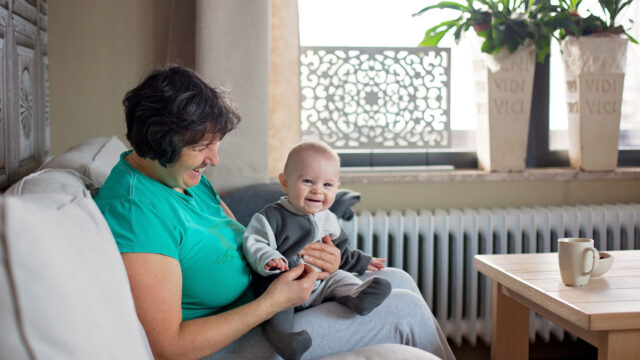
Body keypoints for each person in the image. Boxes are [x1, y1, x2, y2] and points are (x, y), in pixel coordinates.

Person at [94, 65, 455, 360]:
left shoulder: (179, 176)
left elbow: (244, 238)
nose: (214, 159)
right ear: (161, 139)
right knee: (402, 311)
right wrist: (273, 303)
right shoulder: (136, 211)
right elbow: (168, 347)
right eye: (203, 147)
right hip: (233, 340)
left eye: (215, 144)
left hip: (268, 301)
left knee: (398, 280)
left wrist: (317, 260)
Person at [244, 141, 391, 359]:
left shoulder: (328, 219)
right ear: (285, 183)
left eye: (328, 185)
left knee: (340, 277)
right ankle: (284, 337)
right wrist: (270, 258)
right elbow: (254, 242)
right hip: (286, 286)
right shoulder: (270, 217)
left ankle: (358, 296)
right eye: (307, 181)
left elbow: (341, 252)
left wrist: (363, 262)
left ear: (337, 187)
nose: (317, 191)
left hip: (319, 284)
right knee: (275, 303)